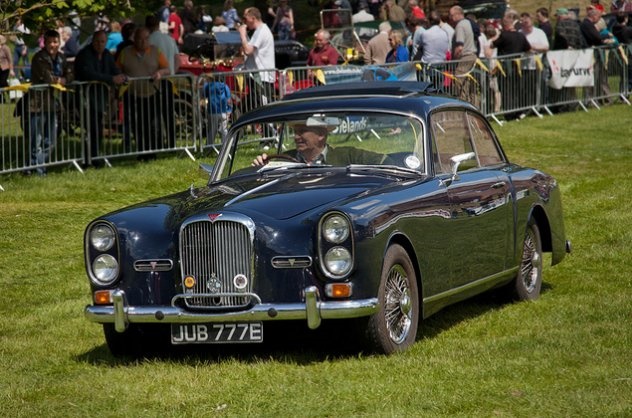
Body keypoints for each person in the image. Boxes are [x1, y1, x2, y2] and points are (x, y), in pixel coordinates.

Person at [74, 30, 127, 165]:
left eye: (102, 42)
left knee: (97, 128)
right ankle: (89, 159)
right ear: (93, 41)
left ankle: (95, 157)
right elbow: (89, 74)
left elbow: (114, 69)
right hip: (85, 97)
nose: (99, 44)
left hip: (100, 98)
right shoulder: (85, 54)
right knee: (92, 128)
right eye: (97, 41)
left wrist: (121, 76)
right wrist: (111, 79)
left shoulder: (107, 54)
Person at [116, 26, 170, 156]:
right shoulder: (125, 53)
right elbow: (116, 68)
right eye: (140, 39)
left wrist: (160, 73)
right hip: (132, 95)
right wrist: (121, 76)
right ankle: (142, 151)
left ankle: (153, 151)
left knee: (153, 124)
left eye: (146, 38)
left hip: (151, 93)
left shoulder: (155, 51)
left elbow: (167, 69)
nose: (143, 41)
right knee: (137, 125)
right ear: (134, 39)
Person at [28, 29, 73, 175]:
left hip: (53, 104)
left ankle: (35, 166)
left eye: (55, 42)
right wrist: (60, 79)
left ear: (59, 43)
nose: (53, 45)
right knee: (36, 140)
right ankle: (37, 170)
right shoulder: (39, 58)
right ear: (45, 43)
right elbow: (47, 76)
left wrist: (66, 79)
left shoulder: (61, 57)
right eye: (50, 42)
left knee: (51, 141)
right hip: (37, 104)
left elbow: (70, 73)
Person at [252, 122, 385, 166]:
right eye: (295, 132)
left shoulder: (348, 156)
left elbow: (385, 162)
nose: (296, 137)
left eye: (302, 131)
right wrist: (260, 167)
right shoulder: (282, 160)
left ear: (321, 135)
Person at [486, 15, 531, 119]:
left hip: (504, 67)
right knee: (517, 89)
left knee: (506, 90)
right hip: (517, 66)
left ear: (505, 25)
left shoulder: (504, 35)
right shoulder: (521, 35)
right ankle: (519, 111)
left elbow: (492, 45)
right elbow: (528, 48)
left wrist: (497, 36)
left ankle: (509, 113)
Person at [147, 14, 180, 149]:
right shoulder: (169, 39)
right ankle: (172, 142)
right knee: (168, 113)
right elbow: (177, 59)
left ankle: (158, 142)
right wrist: (172, 72)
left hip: (153, 80)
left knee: (154, 113)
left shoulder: (148, 40)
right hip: (169, 80)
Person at [238, 7, 276, 113]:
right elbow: (247, 50)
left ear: (253, 18)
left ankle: (269, 124)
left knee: (263, 109)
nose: (244, 23)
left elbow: (248, 50)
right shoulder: (258, 32)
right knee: (253, 107)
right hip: (255, 77)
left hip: (261, 77)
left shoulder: (261, 31)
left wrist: (242, 35)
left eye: (245, 19)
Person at [449, 5, 478, 105]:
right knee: (469, 85)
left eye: (451, 15)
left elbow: (460, 46)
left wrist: (454, 59)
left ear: (457, 14)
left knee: (459, 82)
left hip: (465, 57)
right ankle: (474, 105)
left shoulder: (460, 25)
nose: (450, 17)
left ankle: (463, 105)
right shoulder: (467, 22)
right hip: (472, 56)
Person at [202, 78, 232, 146]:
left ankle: (209, 146)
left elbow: (204, 95)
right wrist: (229, 110)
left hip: (212, 111)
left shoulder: (208, 86)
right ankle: (226, 146)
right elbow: (229, 100)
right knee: (224, 130)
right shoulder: (225, 86)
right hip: (223, 112)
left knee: (212, 131)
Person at [0, 36, 15, 103]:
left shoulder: (6, 48)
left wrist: (11, 70)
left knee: (3, 82)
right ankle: (2, 99)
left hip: (5, 68)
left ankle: (11, 96)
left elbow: (10, 59)